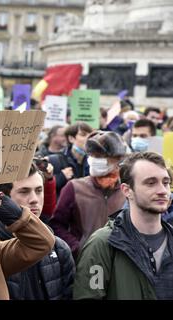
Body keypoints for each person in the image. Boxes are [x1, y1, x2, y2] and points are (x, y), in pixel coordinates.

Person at [73, 152, 173, 300]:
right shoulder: (103, 244)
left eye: (165, 182)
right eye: (151, 183)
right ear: (127, 190)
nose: (162, 191)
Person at [0, 162, 75, 300]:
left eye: (39, 190)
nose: (34, 199)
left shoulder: (59, 249)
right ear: (3, 198)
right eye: (24, 191)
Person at [50, 131, 127, 258]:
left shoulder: (127, 191)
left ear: (118, 159)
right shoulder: (74, 187)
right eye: (92, 155)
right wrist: (77, 247)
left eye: (101, 156)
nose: (95, 160)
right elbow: (57, 224)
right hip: (84, 263)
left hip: (119, 262)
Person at [47, 122, 93, 197]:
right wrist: (61, 177)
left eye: (90, 135)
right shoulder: (55, 160)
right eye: (83, 135)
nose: (88, 138)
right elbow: (44, 187)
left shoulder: (92, 162)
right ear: (71, 138)